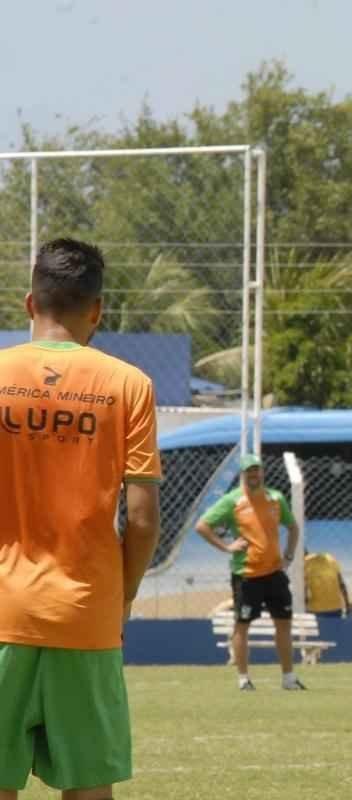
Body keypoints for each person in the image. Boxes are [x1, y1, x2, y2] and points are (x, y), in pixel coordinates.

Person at [0, 238, 162, 800]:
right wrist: (123, 596)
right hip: (87, 615)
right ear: (96, 310)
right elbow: (142, 521)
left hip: (1, 614)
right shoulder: (129, 386)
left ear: (29, 303)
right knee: (89, 789)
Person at [196, 454, 305, 691]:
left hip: (275, 573)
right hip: (247, 575)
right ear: (243, 474)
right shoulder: (232, 501)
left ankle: (289, 677)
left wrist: (288, 556)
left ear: (262, 472)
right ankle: (243, 679)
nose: (254, 475)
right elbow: (202, 526)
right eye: (249, 471)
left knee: (284, 623)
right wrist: (227, 547)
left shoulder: (275, 498)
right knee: (242, 624)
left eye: (257, 470)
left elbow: (293, 526)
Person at [304, 549, 351, 619]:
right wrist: (347, 604)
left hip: (315, 610)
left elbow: (304, 592)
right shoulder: (330, 558)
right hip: (336, 608)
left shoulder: (304, 563)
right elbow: (341, 584)